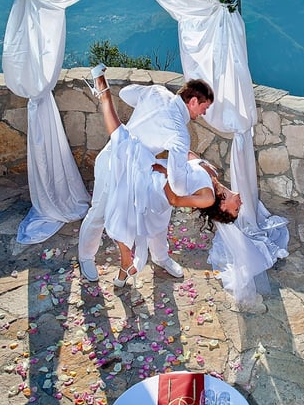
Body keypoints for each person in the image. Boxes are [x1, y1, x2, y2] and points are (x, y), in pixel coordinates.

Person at [77, 67, 240, 284]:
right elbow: (179, 186)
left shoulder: (157, 91)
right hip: (117, 165)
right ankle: (86, 257)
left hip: (132, 165)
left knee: (156, 218)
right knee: (100, 211)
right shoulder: (180, 134)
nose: (203, 113)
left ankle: (160, 257)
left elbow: (126, 94)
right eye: (204, 107)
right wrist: (182, 173)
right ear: (192, 101)